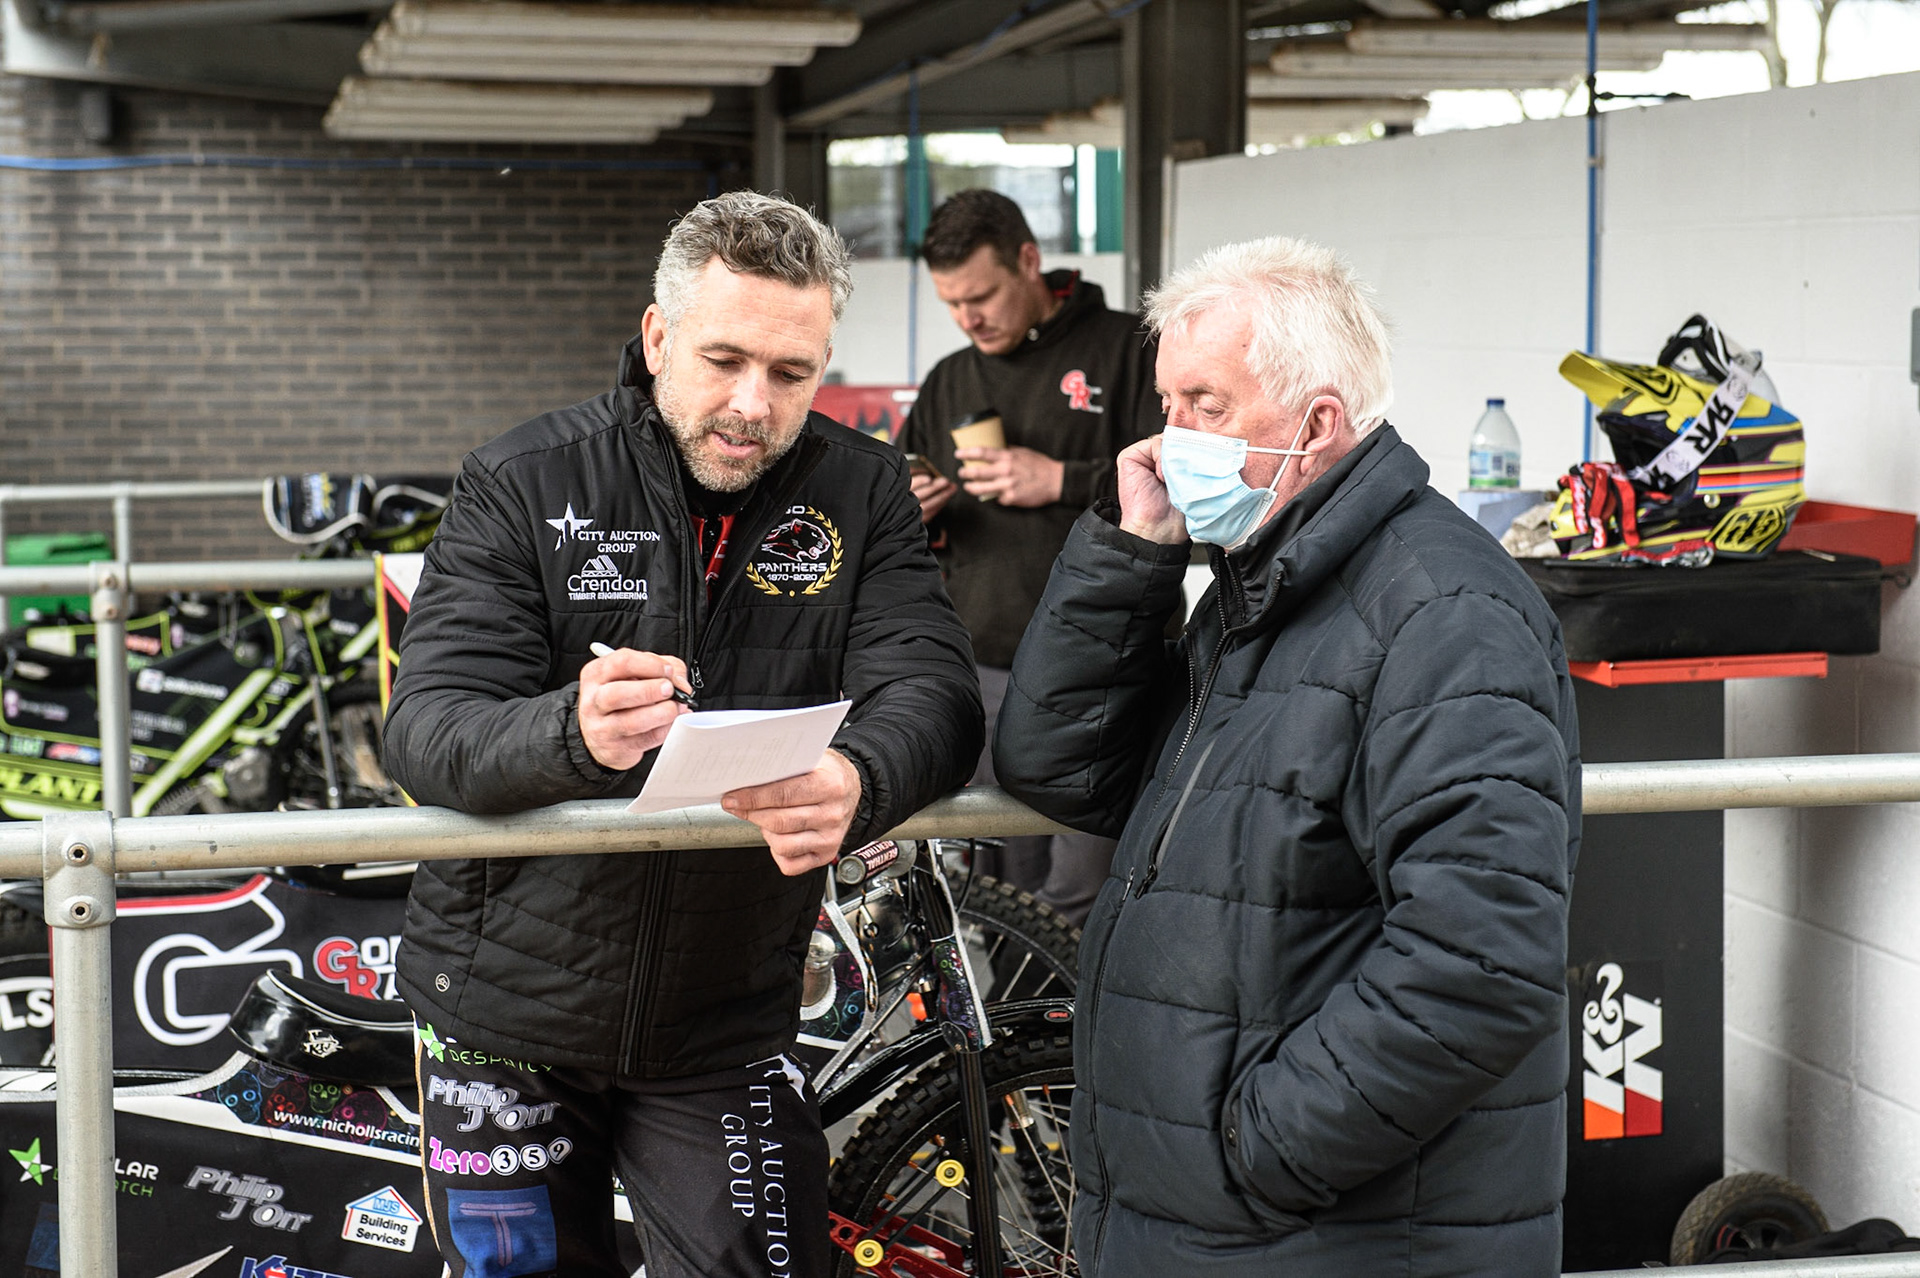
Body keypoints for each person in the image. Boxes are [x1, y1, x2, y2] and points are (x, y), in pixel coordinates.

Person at [383, 191, 982, 1278]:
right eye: (724, 360)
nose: (753, 404)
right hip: (502, 1018)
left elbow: (933, 689)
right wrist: (571, 730)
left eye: (792, 373)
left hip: (724, 1017)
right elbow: (428, 732)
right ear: (658, 337)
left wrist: (862, 776)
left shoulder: (864, 487)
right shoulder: (525, 480)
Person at [994, 236, 1581, 1276]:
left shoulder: (1445, 614)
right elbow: (1056, 766)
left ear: (1318, 424)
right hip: (1214, 1221)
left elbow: (1479, 959)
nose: (1172, 440)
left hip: (1316, 1230)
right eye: (1167, 405)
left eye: (1206, 406)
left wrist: (1249, 1151)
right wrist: (1134, 553)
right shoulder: (1264, 587)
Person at [903, 188, 1159, 925]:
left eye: (981, 295)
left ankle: (1074, 1037)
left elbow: (1187, 493)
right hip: (981, 666)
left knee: (1086, 888)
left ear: (1029, 260)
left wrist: (1059, 479)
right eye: (952, 303)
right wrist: (915, 506)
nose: (968, 317)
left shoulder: (1130, 346)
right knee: (994, 888)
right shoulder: (953, 375)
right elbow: (898, 495)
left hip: (1104, 671)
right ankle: (1011, 1039)